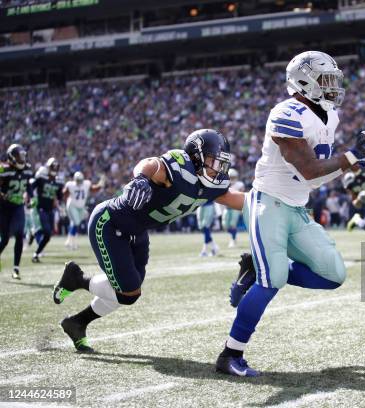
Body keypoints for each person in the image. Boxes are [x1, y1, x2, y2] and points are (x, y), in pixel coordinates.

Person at [216, 51, 365, 377]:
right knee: (273, 282)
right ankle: (229, 355)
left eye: (333, 80)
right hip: (268, 204)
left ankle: (257, 268)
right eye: (326, 80)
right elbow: (309, 169)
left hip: (297, 208)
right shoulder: (286, 113)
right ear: (304, 81)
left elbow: (323, 172)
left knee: (333, 274)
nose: (332, 87)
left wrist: (364, 162)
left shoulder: (330, 116)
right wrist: (353, 156)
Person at [52, 129, 245, 352]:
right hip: (110, 222)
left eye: (221, 164)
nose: (218, 169)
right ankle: (77, 279)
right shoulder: (180, 166)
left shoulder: (212, 186)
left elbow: (240, 200)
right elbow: (152, 163)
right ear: (196, 156)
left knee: (126, 291)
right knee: (128, 292)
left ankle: (77, 323)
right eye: (213, 161)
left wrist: (271, 203)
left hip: (138, 231)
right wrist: (141, 178)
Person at [0, 144, 33, 279]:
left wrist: (28, 196)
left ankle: (16, 269)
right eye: (19, 156)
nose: (22, 159)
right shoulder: (4, 169)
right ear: (12, 157)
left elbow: (29, 186)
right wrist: (3, 195)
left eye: (23, 156)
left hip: (18, 206)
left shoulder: (27, 169)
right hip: (3, 207)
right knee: (5, 239)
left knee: (20, 234)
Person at [29, 158, 63, 263]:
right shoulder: (41, 178)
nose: (55, 168)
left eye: (56, 167)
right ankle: (34, 234)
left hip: (50, 210)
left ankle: (36, 253)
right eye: (53, 166)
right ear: (48, 167)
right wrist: (32, 198)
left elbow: (59, 196)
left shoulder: (58, 181)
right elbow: (30, 186)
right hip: (40, 208)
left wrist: (58, 201)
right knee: (47, 231)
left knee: (48, 235)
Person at [63, 171, 105, 249]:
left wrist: (100, 184)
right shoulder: (70, 185)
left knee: (76, 222)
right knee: (76, 223)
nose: (79, 182)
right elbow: (64, 194)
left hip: (81, 207)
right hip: (72, 206)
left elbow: (94, 189)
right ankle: (73, 243)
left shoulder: (86, 183)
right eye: (78, 180)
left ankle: (69, 241)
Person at [222, 168, 245, 247]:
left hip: (235, 207)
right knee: (225, 225)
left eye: (233, 177)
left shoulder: (239, 184)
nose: (232, 179)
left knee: (233, 224)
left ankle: (233, 239)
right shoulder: (224, 183)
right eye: (231, 177)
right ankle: (233, 236)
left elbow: (242, 194)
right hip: (227, 207)